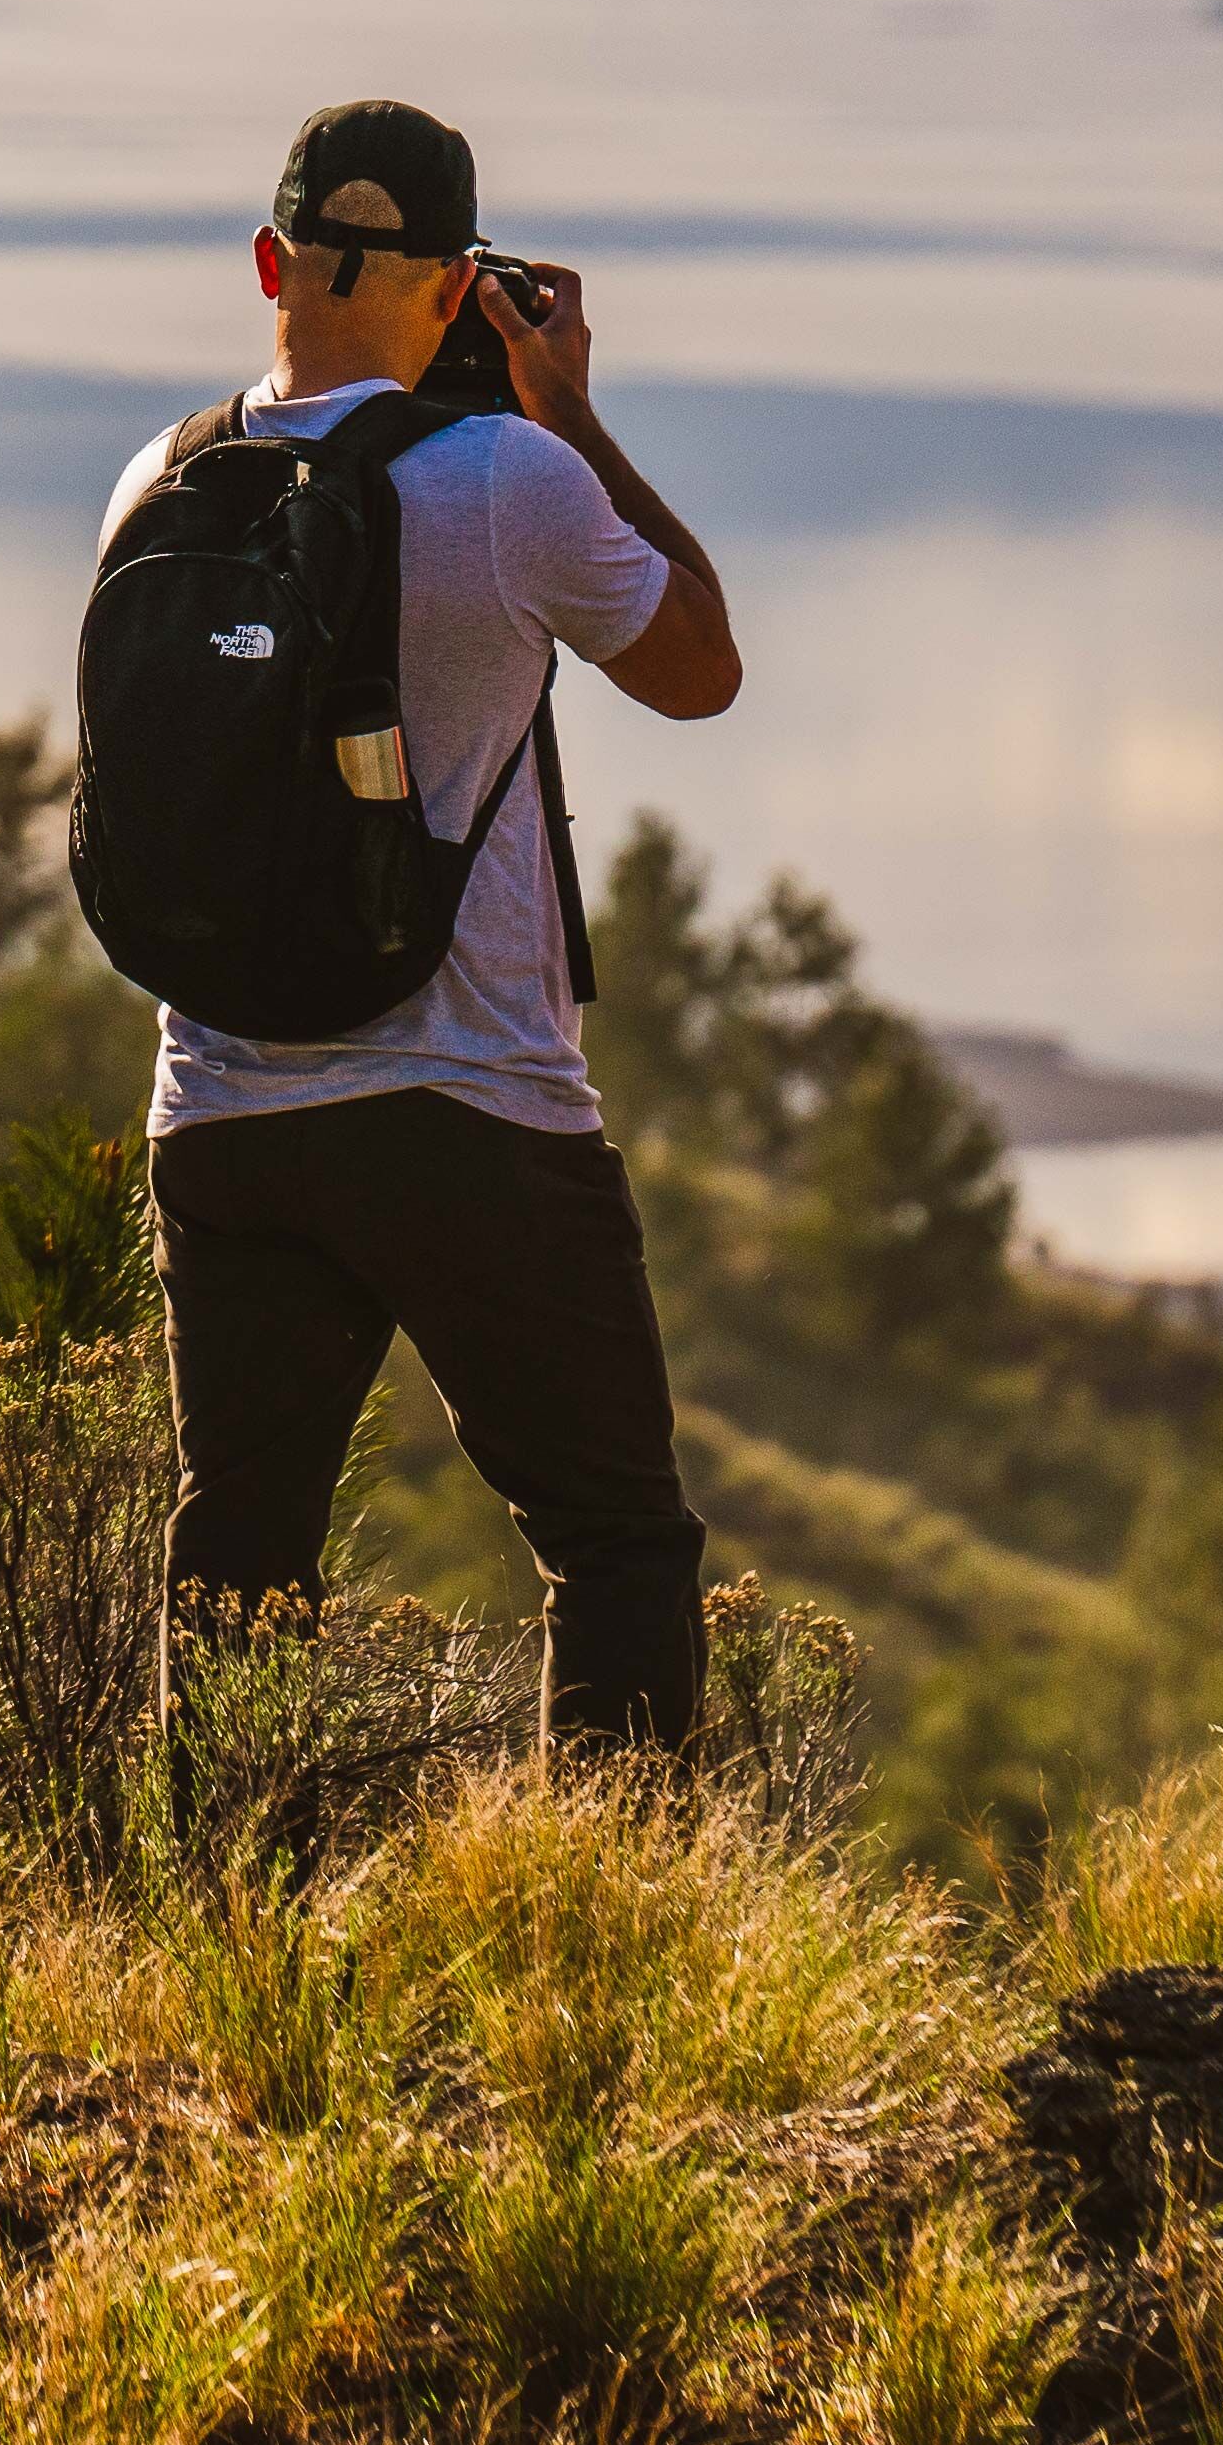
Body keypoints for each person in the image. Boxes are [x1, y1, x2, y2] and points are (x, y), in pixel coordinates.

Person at [124, 96, 749, 1747]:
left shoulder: (158, 479)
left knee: (239, 1563)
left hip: (222, 1107)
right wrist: (571, 408)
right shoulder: (506, 480)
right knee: (615, 1543)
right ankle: (600, 1896)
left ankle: (217, 1892)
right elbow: (700, 666)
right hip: (468, 1099)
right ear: (465, 285)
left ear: (270, 262)